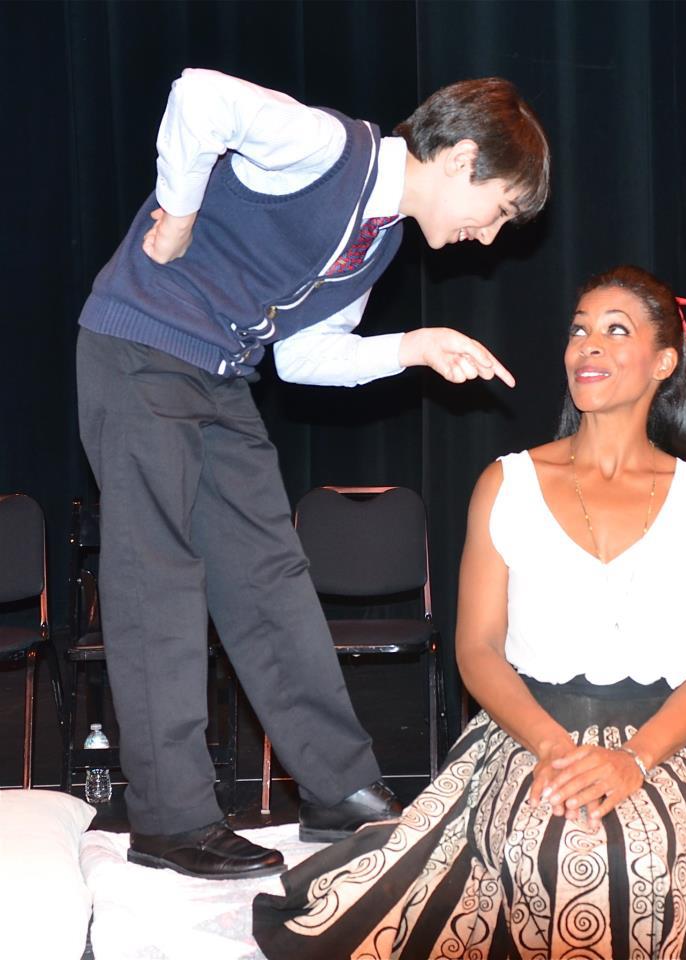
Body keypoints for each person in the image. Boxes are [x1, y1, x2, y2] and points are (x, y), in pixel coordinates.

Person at [252, 265, 686, 958]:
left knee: (652, 860)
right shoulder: (506, 482)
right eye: (579, 329)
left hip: (664, 739)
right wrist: (554, 748)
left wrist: (634, 760)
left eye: (616, 330)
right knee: (558, 856)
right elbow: (477, 649)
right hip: (529, 732)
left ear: (663, 362)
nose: (589, 344)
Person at [76, 68, 550, 881]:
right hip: (140, 348)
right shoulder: (329, 149)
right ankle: (170, 819)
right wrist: (178, 215)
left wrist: (414, 347)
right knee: (157, 580)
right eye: (499, 209)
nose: (489, 235)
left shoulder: (378, 242)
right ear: (461, 158)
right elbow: (199, 97)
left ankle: (337, 791)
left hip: (219, 376)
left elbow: (302, 359)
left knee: (269, 577)